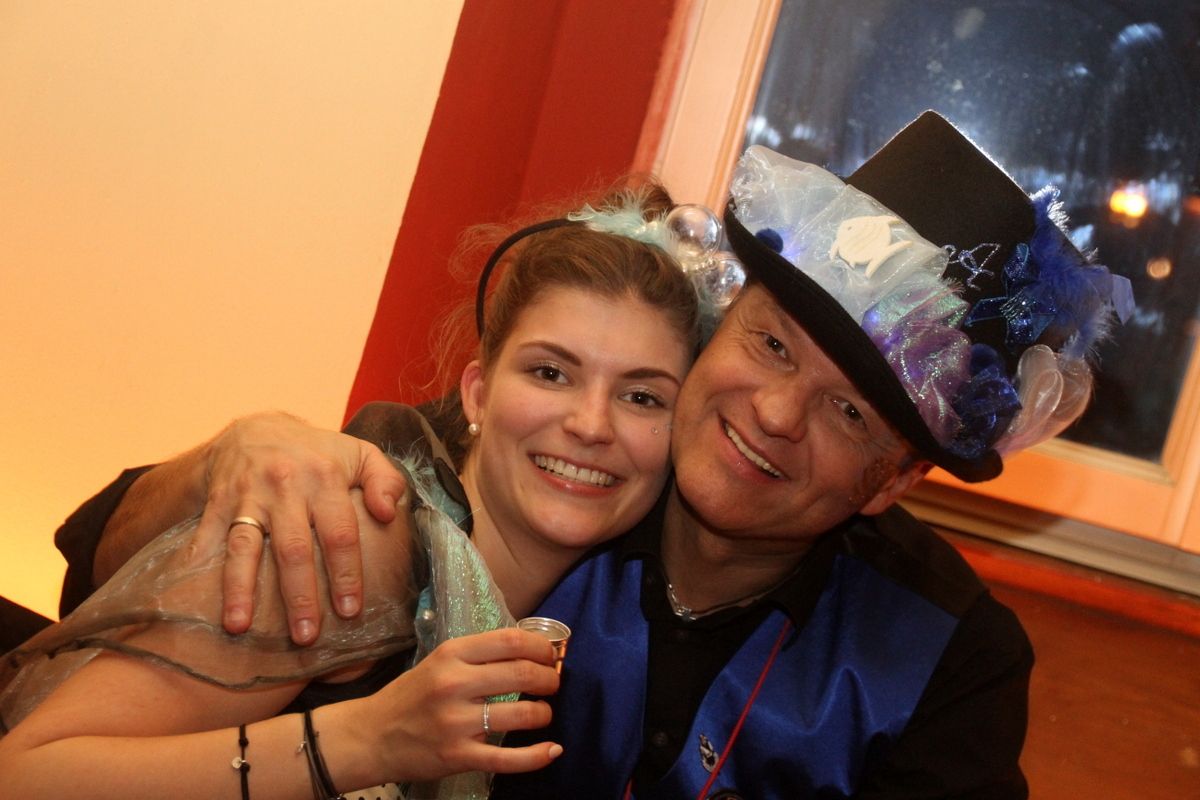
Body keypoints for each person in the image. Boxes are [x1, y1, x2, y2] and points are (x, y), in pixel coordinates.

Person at [32, 112, 1131, 798]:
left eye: (850, 414)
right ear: (721, 326)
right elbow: (102, 558)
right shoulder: (549, 476)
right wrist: (233, 450)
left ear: (894, 480)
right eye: (770, 344)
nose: (776, 413)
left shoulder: (945, 657)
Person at [0, 181, 716, 799]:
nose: (590, 424)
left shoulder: (575, 627)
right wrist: (364, 740)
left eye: (642, 397)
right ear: (477, 392)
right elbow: (25, 775)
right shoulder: (361, 543)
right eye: (550, 373)